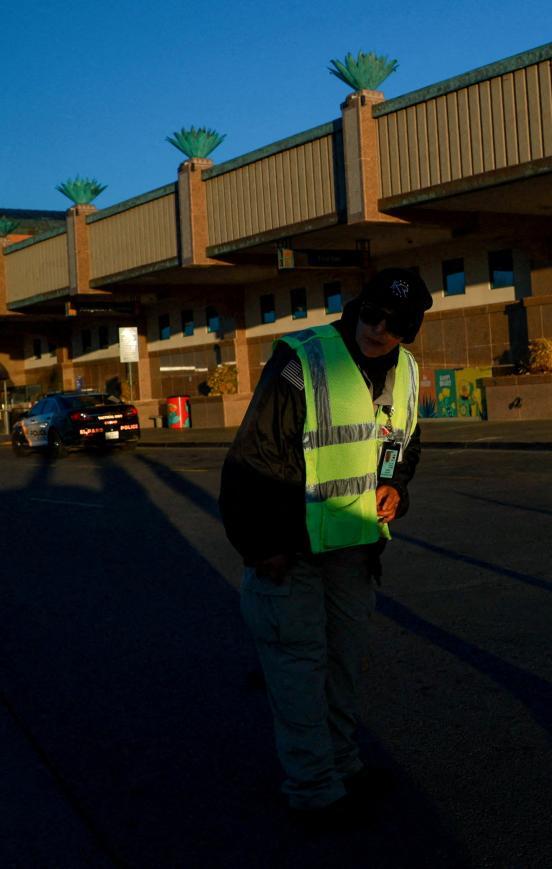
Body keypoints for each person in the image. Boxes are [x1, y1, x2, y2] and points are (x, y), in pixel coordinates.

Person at [219, 268, 432, 828]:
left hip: (354, 546)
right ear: (359, 308)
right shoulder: (302, 359)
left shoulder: (407, 371)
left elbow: (401, 446)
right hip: (289, 546)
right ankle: (313, 788)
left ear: (410, 331)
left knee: (342, 663)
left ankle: (342, 765)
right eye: (372, 315)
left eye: (395, 325)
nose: (379, 330)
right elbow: (253, 457)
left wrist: (395, 488)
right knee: (298, 664)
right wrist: (261, 544)